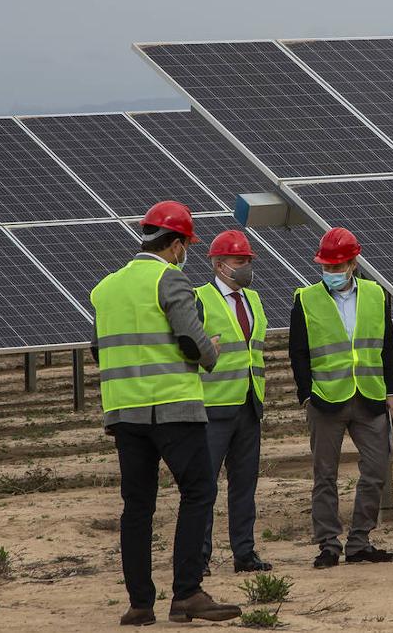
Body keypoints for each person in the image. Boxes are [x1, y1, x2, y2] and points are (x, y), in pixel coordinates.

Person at [90, 200, 241, 625]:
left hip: (124, 413)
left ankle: (140, 605)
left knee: (137, 506)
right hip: (172, 408)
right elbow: (194, 345)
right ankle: (187, 594)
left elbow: (98, 349)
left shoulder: (106, 289)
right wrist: (212, 349)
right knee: (198, 491)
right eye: (186, 244)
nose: (185, 252)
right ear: (175, 245)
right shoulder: (171, 281)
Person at [289, 228, 393, 568]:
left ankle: (360, 541)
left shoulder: (377, 295)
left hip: (370, 397)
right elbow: (299, 352)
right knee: (325, 474)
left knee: (376, 469)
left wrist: (392, 389)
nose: (333, 272)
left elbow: (387, 346)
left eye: (339, 266)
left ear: (354, 263)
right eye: (328, 266)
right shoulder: (305, 299)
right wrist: (307, 395)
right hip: (326, 399)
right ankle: (327, 543)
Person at [194, 230, 271, 576]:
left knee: (244, 486)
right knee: (205, 486)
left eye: (248, 262)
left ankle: (245, 553)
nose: (246, 267)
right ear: (220, 265)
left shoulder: (254, 300)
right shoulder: (199, 299)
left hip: (249, 405)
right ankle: (199, 557)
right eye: (240, 262)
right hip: (212, 408)